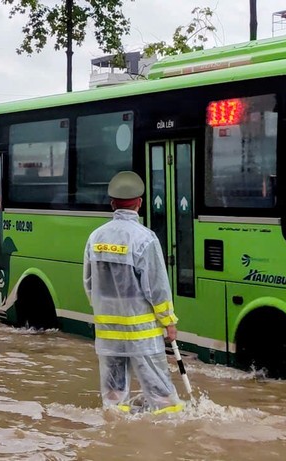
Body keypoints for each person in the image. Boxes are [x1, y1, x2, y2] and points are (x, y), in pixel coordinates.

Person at [83, 171, 183, 415]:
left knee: (114, 399)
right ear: (139, 203)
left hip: (108, 333)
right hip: (142, 334)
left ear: (112, 204)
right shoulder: (145, 239)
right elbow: (157, 287)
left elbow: (89, 283)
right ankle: (171, 433)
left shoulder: (95, 238)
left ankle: (117, 432)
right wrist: (168, 321)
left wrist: (105, 310)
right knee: (163, 398)